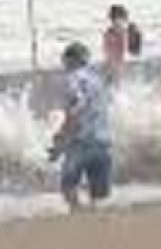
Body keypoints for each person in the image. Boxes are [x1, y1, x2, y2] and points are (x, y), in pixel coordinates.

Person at [48, 42, 113, 211]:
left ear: (70, 60)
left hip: (80, 142)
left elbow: (77, 107)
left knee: (68, 188)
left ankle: (78, 218)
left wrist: (61, 142)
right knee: (99, 197)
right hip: (103, 141)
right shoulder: (98, 80)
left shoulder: (72, 78)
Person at [101, 4, 139, 86]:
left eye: (116, 18)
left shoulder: (127, 32)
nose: (114, 21)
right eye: (113, 18)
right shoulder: (109, 33)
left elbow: (130, 52)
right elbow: (107, 52)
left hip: (121, 66)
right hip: (114, 67)